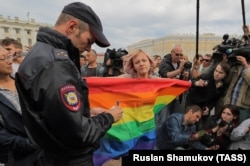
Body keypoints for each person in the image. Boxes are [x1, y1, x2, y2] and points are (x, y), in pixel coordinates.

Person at [15, 2, 123, 166]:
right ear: (72, 26)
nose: (88, 49)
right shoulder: (55, 65)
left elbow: (54, 115)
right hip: (68, 159)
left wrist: (85, 112)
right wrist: (108, 117)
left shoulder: (44, 55)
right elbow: (78, 133)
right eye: (88, 41)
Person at [0, 45, 41, 165]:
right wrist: (30, 144)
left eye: (10, 56)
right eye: (4, 58)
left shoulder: (24, 82)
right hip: (16, 158)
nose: (10, 61)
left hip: (44, 152)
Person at [185, 61, 230, 130]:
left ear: (225, 75)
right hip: (192, 103)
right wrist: (196, 83)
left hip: (204, 108)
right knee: (189, 124)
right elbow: (192, 81)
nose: (217, 74)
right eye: (216, 71)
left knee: (201, 127)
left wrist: (209, 108)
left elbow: (215, 100)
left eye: (220, 72)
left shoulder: (223, 85)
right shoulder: (207, 77)